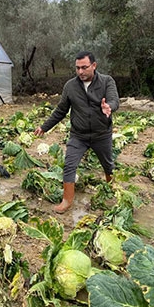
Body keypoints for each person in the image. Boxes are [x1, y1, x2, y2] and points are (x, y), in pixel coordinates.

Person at [35, 51, 119, 213]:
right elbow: (61, 110)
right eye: (77, 68)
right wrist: (44, 127)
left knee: (108, 165)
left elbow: (114, 99)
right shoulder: (70, 86)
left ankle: (113, 191)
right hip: (78, 136)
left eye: (84, 67)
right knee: (69, 165)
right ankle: (67, 200)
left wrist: (109, 107)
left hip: (101, 135)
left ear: (94, 66)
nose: (80, 71)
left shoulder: (107, 81)